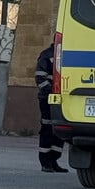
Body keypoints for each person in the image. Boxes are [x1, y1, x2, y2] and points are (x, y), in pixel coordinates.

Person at [36, 42, 67, 172]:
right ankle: (45, 162)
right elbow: (40, 78)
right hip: (48, 98)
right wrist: (51, 91)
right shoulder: (47, 55)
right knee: (47, 128)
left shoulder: (66, 54)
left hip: (61, 98)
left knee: (59, 131)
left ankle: (54, 160)